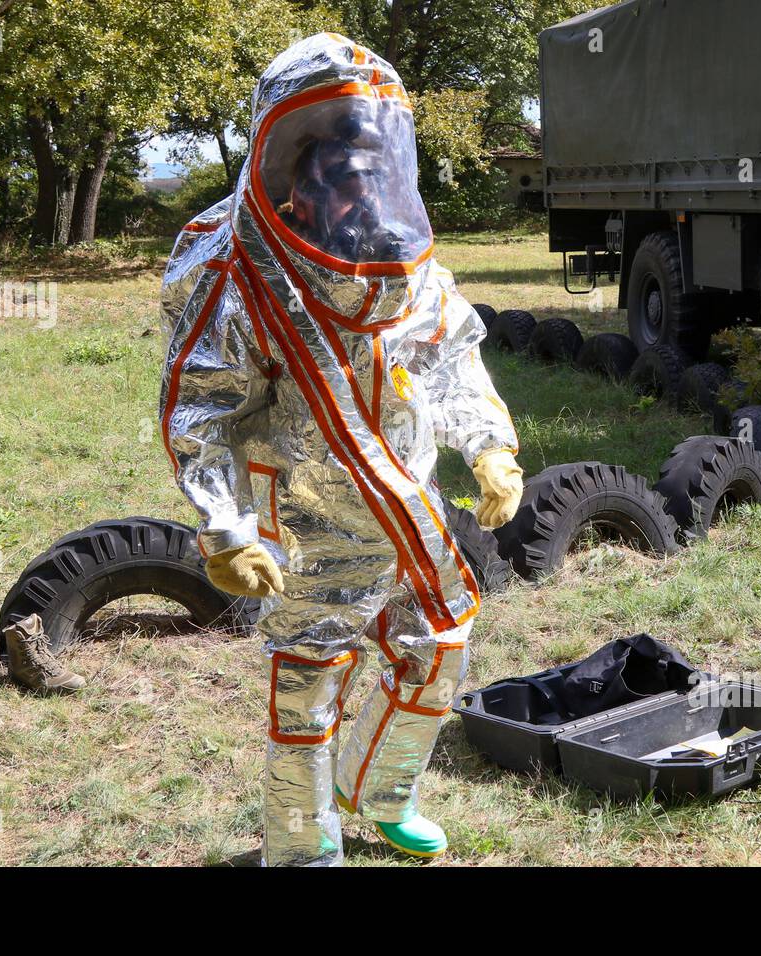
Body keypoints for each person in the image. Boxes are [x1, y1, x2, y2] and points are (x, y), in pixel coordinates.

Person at [157, 33, 523, 865]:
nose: (357, 179)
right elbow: (201, 409)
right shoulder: (240, 272)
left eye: (370, 153)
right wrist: (224, 529)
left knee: (439, 644)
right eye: (334, 157)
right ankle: (299, 843)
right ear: (292, 164)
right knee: (308, 679)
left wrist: (490, 444)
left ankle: (383, 788)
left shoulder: (405, 257)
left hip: (408, 497)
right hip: (310, 514)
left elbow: (451, 352)